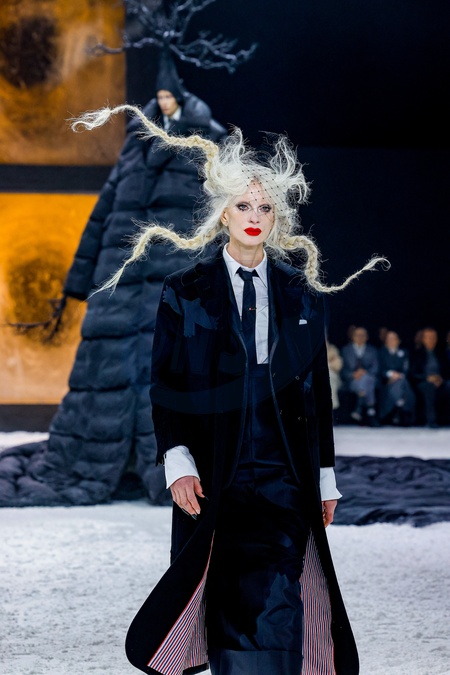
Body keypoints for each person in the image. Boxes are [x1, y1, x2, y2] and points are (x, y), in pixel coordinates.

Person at [73, 104, 387, 675]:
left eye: (265, 207)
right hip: (216, 466)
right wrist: (177, 460)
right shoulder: (184, 289)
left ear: (278, 217)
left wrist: (325, 475)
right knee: (223, 590)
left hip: (285, 466)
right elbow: (165, 383)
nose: (254, 216)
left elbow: (316, 391)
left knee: (282, 589)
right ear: (222, 212)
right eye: (243, 205)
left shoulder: (301, 292)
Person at [410, 327, 450, 428]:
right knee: (429, 387)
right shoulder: (416, 353)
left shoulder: (441, 354)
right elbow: (413, 373)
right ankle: (431, 420)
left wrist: (441, 379)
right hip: (423, 382)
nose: (431, 340)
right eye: (428, 337)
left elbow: (447, 370)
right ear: (423, 339)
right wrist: (427, 378)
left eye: (433, 337)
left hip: (440, 382)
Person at [340, 326, 380, 425]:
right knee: (366, 383)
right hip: (352, 380)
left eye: (363, 335)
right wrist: (353, 374)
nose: (360, 337)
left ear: (367, 337)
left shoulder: (373, 350)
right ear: (353, 337)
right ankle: (370, 409)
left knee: (366, 379)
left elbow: (375, 368)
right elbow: (343, 370)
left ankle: (359, 410)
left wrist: (364, 372)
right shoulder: (345, 350)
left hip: (369, 378)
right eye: (357, 335)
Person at [378, 330, 415, 425]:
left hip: (401, 379)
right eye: (389, 339)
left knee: (401, 383)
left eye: (393, 339)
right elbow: (380, 369)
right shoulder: (381, 353)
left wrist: (399, 375)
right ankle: (401, 408)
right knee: (403, 385)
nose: (391, 341)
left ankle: (397, 407)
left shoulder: (404, 352)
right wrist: (390, 374)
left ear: (398, 340)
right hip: (387, 382)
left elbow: (407, 368)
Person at [326, 338, 343, 415]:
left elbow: (338, 365)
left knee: (330, 376)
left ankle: (331, 409)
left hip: (331, 377)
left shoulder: (332, 349)